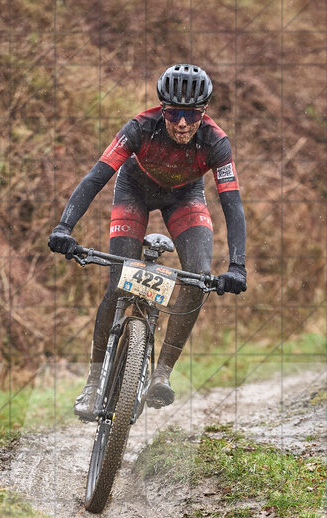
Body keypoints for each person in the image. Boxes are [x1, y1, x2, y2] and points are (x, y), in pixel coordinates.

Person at [48, 63, 247, 419]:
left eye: (190, 114)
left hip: (184, 197)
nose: (181, 123)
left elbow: (232, 204)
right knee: (119, 282)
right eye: (173, 113)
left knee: (199, 277)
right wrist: (64, 227)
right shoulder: (140, 127)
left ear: (204, 113)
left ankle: (162, 375)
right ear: (162, 110)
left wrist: (237, 265)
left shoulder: (216, 142)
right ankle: (94, 383)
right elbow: (96, 177)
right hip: (134, 191)